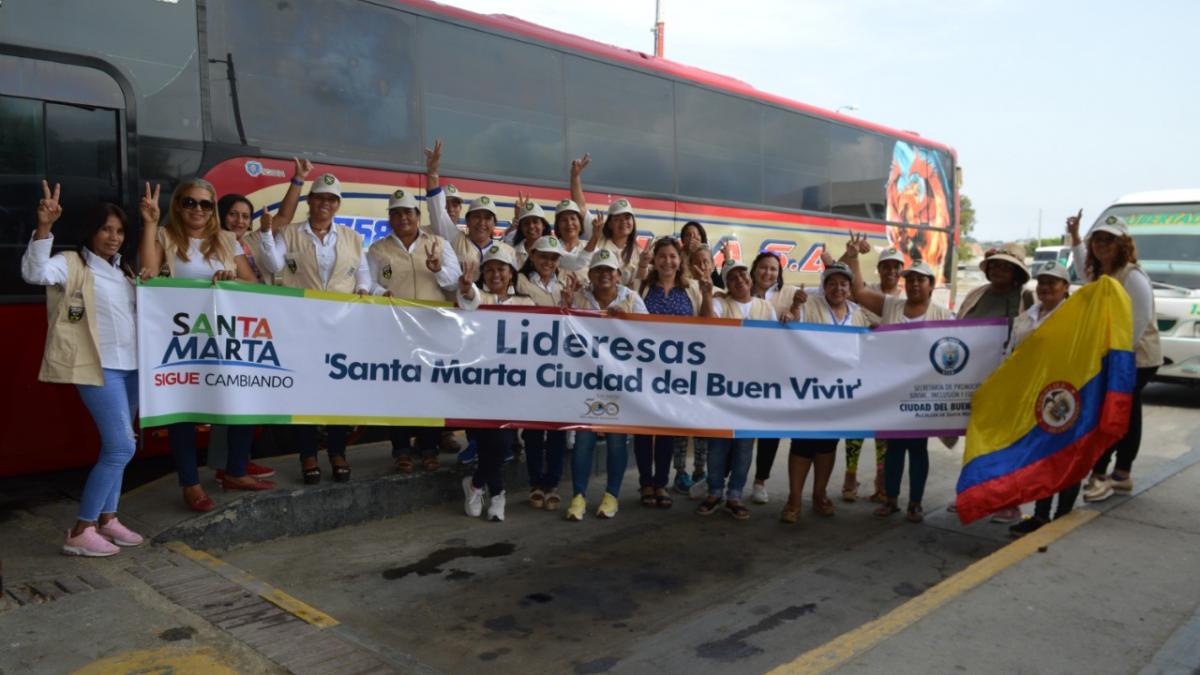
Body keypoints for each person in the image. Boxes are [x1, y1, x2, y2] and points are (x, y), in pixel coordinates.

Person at [22, 183, 145, 556]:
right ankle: (81, 528)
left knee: (123, 445)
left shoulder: (124, 271)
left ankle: (108, 519)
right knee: (120, 446)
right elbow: (34, 272)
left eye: (120, 230)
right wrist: (44, 228)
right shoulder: (70, 263)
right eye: (106, 229)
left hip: (132, 368)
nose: (113, 237)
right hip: (97, 368)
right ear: (91, 231)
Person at [138, 180, 268, 511]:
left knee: (240, 396)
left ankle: (236, 470)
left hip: (224, 337)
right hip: (181, 340)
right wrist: (150, 223)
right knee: (183, 411)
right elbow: (149, 276)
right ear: (178, 205)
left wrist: (230, 280)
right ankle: (190, 484)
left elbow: (251, 284)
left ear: (213, 210)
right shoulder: (164, 236)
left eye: (205, 204)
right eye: (190, 202)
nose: (197, 209)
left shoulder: (226, 239)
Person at [257, 171, 370, 484]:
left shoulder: (352, 237)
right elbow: (272, 265)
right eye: (320, 197)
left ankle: (337, 451)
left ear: (337, 205)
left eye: (332, 199)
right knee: (304, 391)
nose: (325, 203)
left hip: (342, 326)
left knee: (338, 390)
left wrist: (364, 289)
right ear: (310, 200)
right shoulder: (291, 233)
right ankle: (308, 453)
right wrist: (267, 234)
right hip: (302, 325)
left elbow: (363, 275)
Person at [845, 232, 954, 523]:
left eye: (922, 279)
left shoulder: (944, 315)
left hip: (924, 393)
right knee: (893, 448)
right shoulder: (891, 306)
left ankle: (915, 503)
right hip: (892, 392)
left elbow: (961, 349)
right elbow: (857, 291)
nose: (916, 283)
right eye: (912, 279)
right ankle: (891, 499)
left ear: (931, 285)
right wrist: (854, 255)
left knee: (917, 448)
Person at [1067, 213, 1162, 502]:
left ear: (1123, 244)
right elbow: (1084, 272)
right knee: (1127, 414)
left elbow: (1138, 323)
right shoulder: (1099, 273)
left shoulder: (1133, 277)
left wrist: (1114, 362)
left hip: (1136, 358)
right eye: (1098, 239)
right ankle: (1119, 474)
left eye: (1109, 239)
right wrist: (1075, 237)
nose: (1102, 245)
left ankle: (1107, 474)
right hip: (1114, 356)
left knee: (1115, 413)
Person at [368, 187, 462, 472]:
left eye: (407, 212)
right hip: (394, 330)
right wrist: (378, 292)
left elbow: (455, 283)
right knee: (398, 390)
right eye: (396, 213)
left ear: (417, 216)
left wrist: (437, 269)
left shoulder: (438, 243)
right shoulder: (378, 249)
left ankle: (429, 447)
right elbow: (368, 284)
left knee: (429, 390)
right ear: (390, 218)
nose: (402, 218)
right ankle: (401, 450)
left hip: (432, 329)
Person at [778, 262, 870, 523]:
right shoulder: (811, 304)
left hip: (841, 392)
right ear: (824, 285)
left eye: (843, 283)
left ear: (850, 288)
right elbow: (793, 320)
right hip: (809, 390)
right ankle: (794, 499)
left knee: (828, 444)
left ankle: (819, 495)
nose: (837, 288)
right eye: (832, 282)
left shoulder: (858, 312)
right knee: (803, 444)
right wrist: (794, 308)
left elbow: (881, 335)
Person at [563, 250, 647, 521]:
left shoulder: (632, 299)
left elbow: (650, 335)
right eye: (598, 270)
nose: (604, 275)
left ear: (619, 275)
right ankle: (578, 497)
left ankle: (611, 496)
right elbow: (562, 334)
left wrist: (628, 321)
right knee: (584, 439)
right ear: (590, 275)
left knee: (616, 440)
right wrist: (563, 310)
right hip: (585, 380)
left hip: (619, 381)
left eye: (609, 270)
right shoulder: (578, 298)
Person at [955, 246, 1035, 523]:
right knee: (977, 439)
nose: (998, 270)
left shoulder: (1026, 298)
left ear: (1017, 272)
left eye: (1005, 266)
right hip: (975, 380)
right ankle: (972, 494)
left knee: (1006, 442)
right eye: (994, 265)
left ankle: (1009, 502)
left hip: (1010, 381)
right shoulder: (976, 295)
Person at [456, 247, 535, 522]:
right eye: (489, 269)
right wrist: (467, 289)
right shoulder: (481, 297)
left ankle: (477, 485)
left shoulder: (526, 302)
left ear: (511, 273)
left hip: (512, 385)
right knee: (488, 440)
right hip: (480, 384)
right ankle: (497, 495)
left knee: (502, 444)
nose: (495, 274)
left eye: (501, 269)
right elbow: (469, 300)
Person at [633, 238, 713, 509]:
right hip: (643, 370)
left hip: (676, 372)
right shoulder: (643, 287)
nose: (668, 261)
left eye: (673, 256)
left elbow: (705, 324)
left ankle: (661, 483)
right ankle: (645, 483)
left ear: (681, 260)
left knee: (666, 428)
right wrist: (640, 269)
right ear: (655, 260)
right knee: (643, 429)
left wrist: (707, 293)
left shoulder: (690, 289)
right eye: (662, 256)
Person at [695, 260, 775, 521]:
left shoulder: (766, 307)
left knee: (744, 445)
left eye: (742, 274)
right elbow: (707, 324)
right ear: (726, 284)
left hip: (753, 388)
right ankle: (714, 491)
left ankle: (735, 494)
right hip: (722, 386)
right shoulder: (719, 303)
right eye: (732, 277)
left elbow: (778, 344)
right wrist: (707, 294)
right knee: (718, 443)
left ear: (750, 279)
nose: (739, 280)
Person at [1003, 262, 1079, 536]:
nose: (1046, 288)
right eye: (1042, 282)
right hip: (1032, 398)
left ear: (1066, 287)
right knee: (1042, 458)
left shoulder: (1075, 316)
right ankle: (1040, 515)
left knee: (1066, 455)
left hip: (1065, 397)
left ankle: (1063, 514)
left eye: (1053, 282)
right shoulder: (1027, 317)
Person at [838, 246, 905, 503]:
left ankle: (881, 480)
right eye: (886, 265)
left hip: (891, 375)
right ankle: (850, 475)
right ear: (879, 268)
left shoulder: (904, 300)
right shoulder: (867, 292)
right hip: (861, 369)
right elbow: (847, 279)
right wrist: (852, 255)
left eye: (895, 266)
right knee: (855, 425)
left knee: (884, 429)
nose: (891, 270)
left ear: (901, 271)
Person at [514, 234, 572, 511]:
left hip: (560, 366)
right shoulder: (519, 281)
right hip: (529, 365)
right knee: (534, 430)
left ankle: (553, 483)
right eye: (543, 256)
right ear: (532, 256)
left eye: (553, 258)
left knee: (557, 430)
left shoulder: (568, 284)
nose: (548, 262)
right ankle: (536, 483)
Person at [747, 252, 806, 505]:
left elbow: (800, 321)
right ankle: (721, 477)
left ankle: (760, 481)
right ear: (754, 270)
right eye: (763, 268)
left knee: (769, 431)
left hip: (776, 373)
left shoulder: (789, 292)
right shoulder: (740, 288)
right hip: (744, 372)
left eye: (773, 269)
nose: (768, 273)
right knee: (737, 430)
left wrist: (795, 309)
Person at [423, 140, 513, 270]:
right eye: (476, 216)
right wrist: (433, 173)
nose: (482, 222)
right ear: (467, 221)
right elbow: (436, 209)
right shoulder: (454, 238)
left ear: (494, 223)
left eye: (487, 218)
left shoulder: (506, 251)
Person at [582, 199, 641, 286]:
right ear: (609, 224)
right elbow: (581, 206)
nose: (623, 222)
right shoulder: (597, 238)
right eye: (617, 219)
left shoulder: (639, 252)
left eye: (627, 218)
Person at [679, 221, 724, 289]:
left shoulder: (706, 256)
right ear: (683, 240)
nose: (693, 237)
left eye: (697, 234)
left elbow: (718, 285)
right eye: (688, 234)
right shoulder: (677, 256)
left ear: (702, 238)